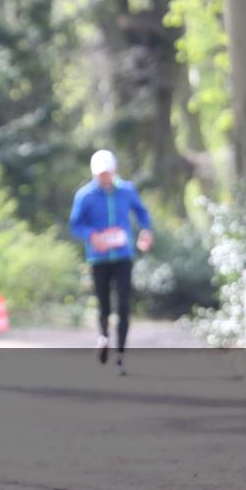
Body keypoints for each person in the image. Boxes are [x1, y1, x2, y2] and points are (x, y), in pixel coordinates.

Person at [68, 150, 153, 376]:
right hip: (99, 258)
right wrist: (92, 236)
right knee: (104, 305)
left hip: (123, 257)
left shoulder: (126, 190)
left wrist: (146, 231)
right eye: (99, 174)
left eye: (106, 173)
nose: (103, 178)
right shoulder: (85, 195)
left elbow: (142, 213)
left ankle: (121, 356)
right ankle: (104, 337)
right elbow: (75, 225)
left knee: (124, 306)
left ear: (114, 171)